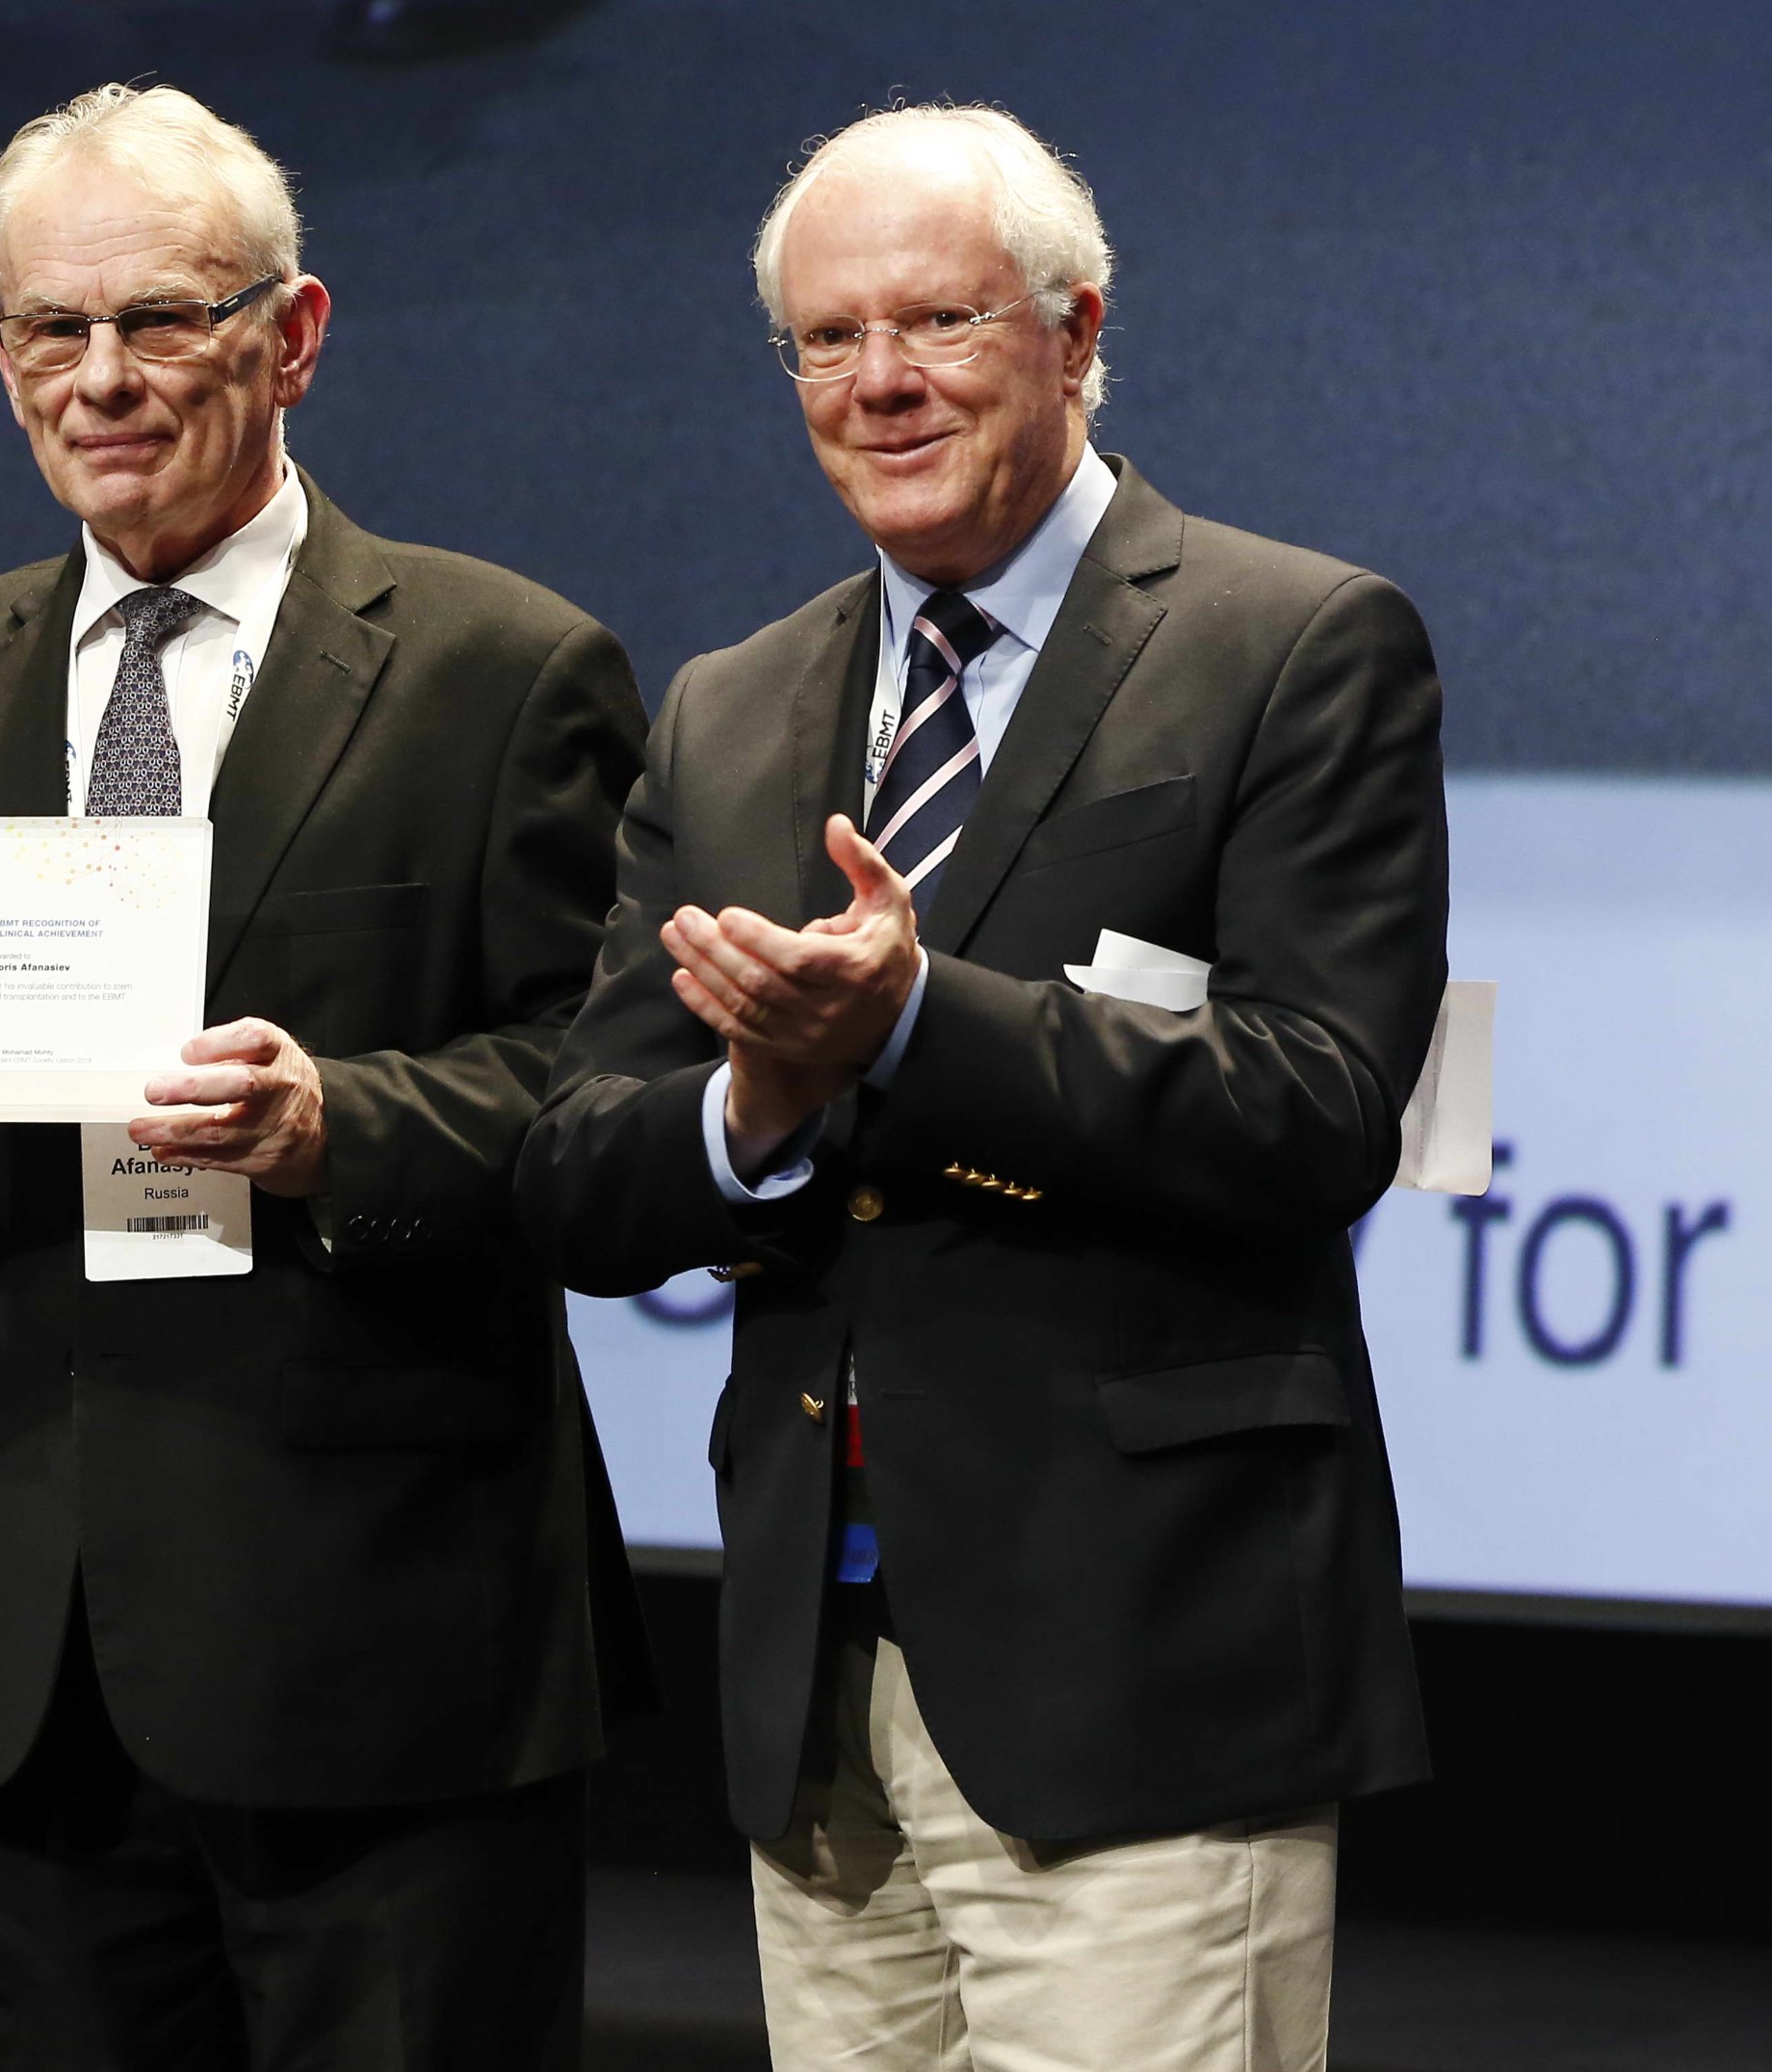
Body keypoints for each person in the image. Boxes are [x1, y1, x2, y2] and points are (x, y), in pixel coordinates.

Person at [516, 105, 1446, 2071]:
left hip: (1140, 1672)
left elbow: (1316, 1106)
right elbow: (587, 1178)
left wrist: (917, 1023)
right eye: (825, 341)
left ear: (1074, 328)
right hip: (816, 1676)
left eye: (933, 321)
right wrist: (750, 1103)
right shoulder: (730, 700)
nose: (880, 382)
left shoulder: (1293, 644)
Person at [0, 83, 652, 2072]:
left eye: (160, 318)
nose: (101, 378)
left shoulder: (505, 665)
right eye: (46, 331)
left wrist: (338, 1122)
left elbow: (601, 1099)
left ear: (293, 334)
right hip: (24, 1650)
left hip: (385, 1641)